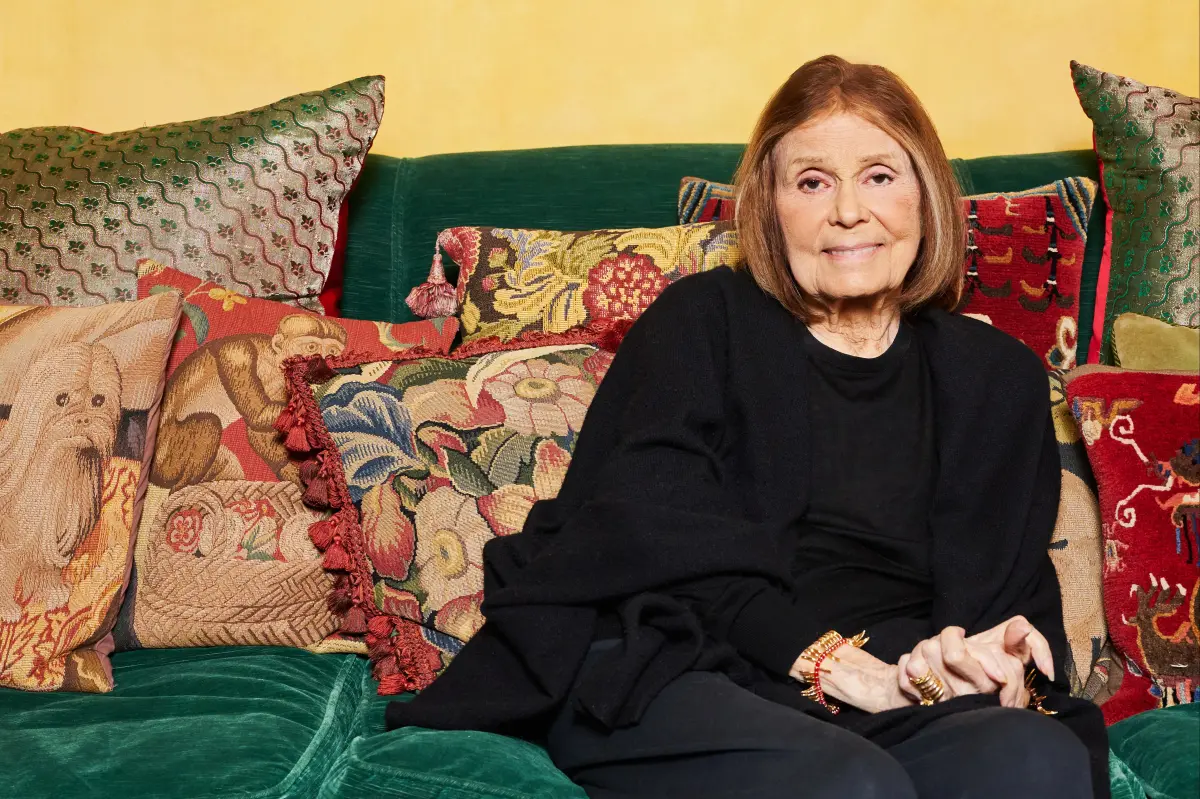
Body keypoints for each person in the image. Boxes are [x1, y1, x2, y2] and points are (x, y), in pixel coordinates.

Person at [386, 55, 1108, 799]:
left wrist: (983, 661)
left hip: (896, 686)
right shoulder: (701, 322)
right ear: (770, 206)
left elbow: (1008, 596)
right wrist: (832, 663)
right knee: (849, 784)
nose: (849, 211)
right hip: (682, 659)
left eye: (879, 176)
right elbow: (645, 536)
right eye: (812, 182)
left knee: (1037, 757)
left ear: (926, 195)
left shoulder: (998, 378)